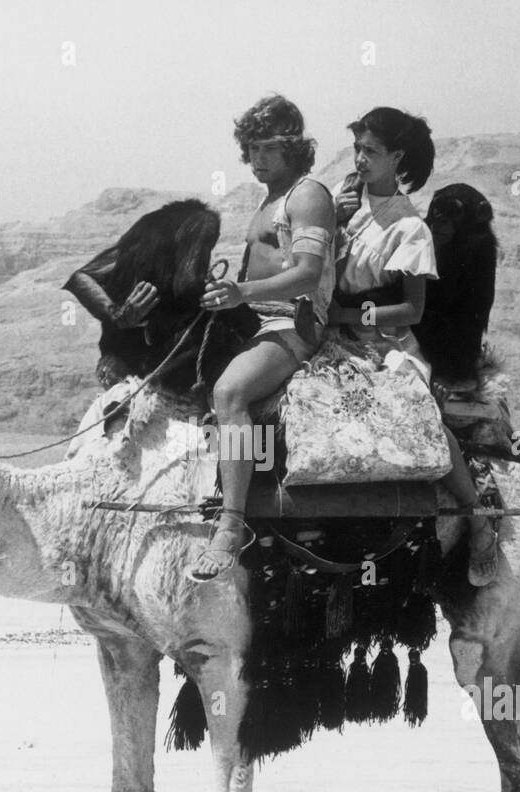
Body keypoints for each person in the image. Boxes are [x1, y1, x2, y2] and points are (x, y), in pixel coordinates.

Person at [328, 107, 497, 585]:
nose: (359, 159)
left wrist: (345, 316)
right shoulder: (341, 202)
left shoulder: (409, 229)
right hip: (326, 334)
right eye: (356, 148)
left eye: (371, 151)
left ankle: (477, 514)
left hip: (382, 341)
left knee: (414, 410)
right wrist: (333, 226)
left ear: (397, 156)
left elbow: (411, 311)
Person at [188, 94, 337, 582]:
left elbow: (308, 275)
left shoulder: (308, 195)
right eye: (249, 149)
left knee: (230, 393)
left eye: (266, 148)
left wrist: (241, 292)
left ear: (293, 146)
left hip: (292, 322)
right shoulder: (270, 200)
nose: (255, 159)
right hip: (258, 318)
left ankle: (232, 525)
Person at [63, 200, 221, 390]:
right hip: (161, 351)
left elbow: (82, 277)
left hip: (121, 346)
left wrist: (116, 313)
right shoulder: (204, 222)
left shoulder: (149, 228)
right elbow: (188, 284)